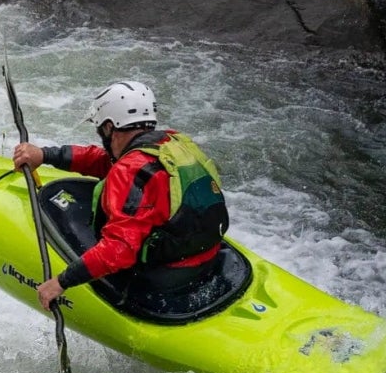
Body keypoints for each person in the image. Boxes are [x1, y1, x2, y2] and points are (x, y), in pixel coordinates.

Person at [11, 80, 229, 309]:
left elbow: (119, 251)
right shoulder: (172, 143)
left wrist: (60, 282)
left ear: (109, 127)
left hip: (164, 278)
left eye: (100, 129)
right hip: (207, 255)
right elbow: (106, 161)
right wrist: (45, 155)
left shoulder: (129, 171)